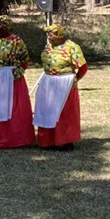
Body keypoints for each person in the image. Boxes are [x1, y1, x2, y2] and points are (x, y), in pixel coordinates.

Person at [0, 15, 35, 149]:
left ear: (5, 28)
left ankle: (14, 139)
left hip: (11, 78)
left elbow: (25, 60)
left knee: (12, 107)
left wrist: (14, 73)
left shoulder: (17, 41)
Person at [33, 23, 88, 151]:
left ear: (59, 35)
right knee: (47, 111)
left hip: (65, 84)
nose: (48, 36)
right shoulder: (49, 46)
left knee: (65, 113)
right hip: (48, 82)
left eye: (51, 34)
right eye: (48, 34)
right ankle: (47, 141)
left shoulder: (72, 47)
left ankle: (66, 141)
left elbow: (83, 67)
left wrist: (75, 79)